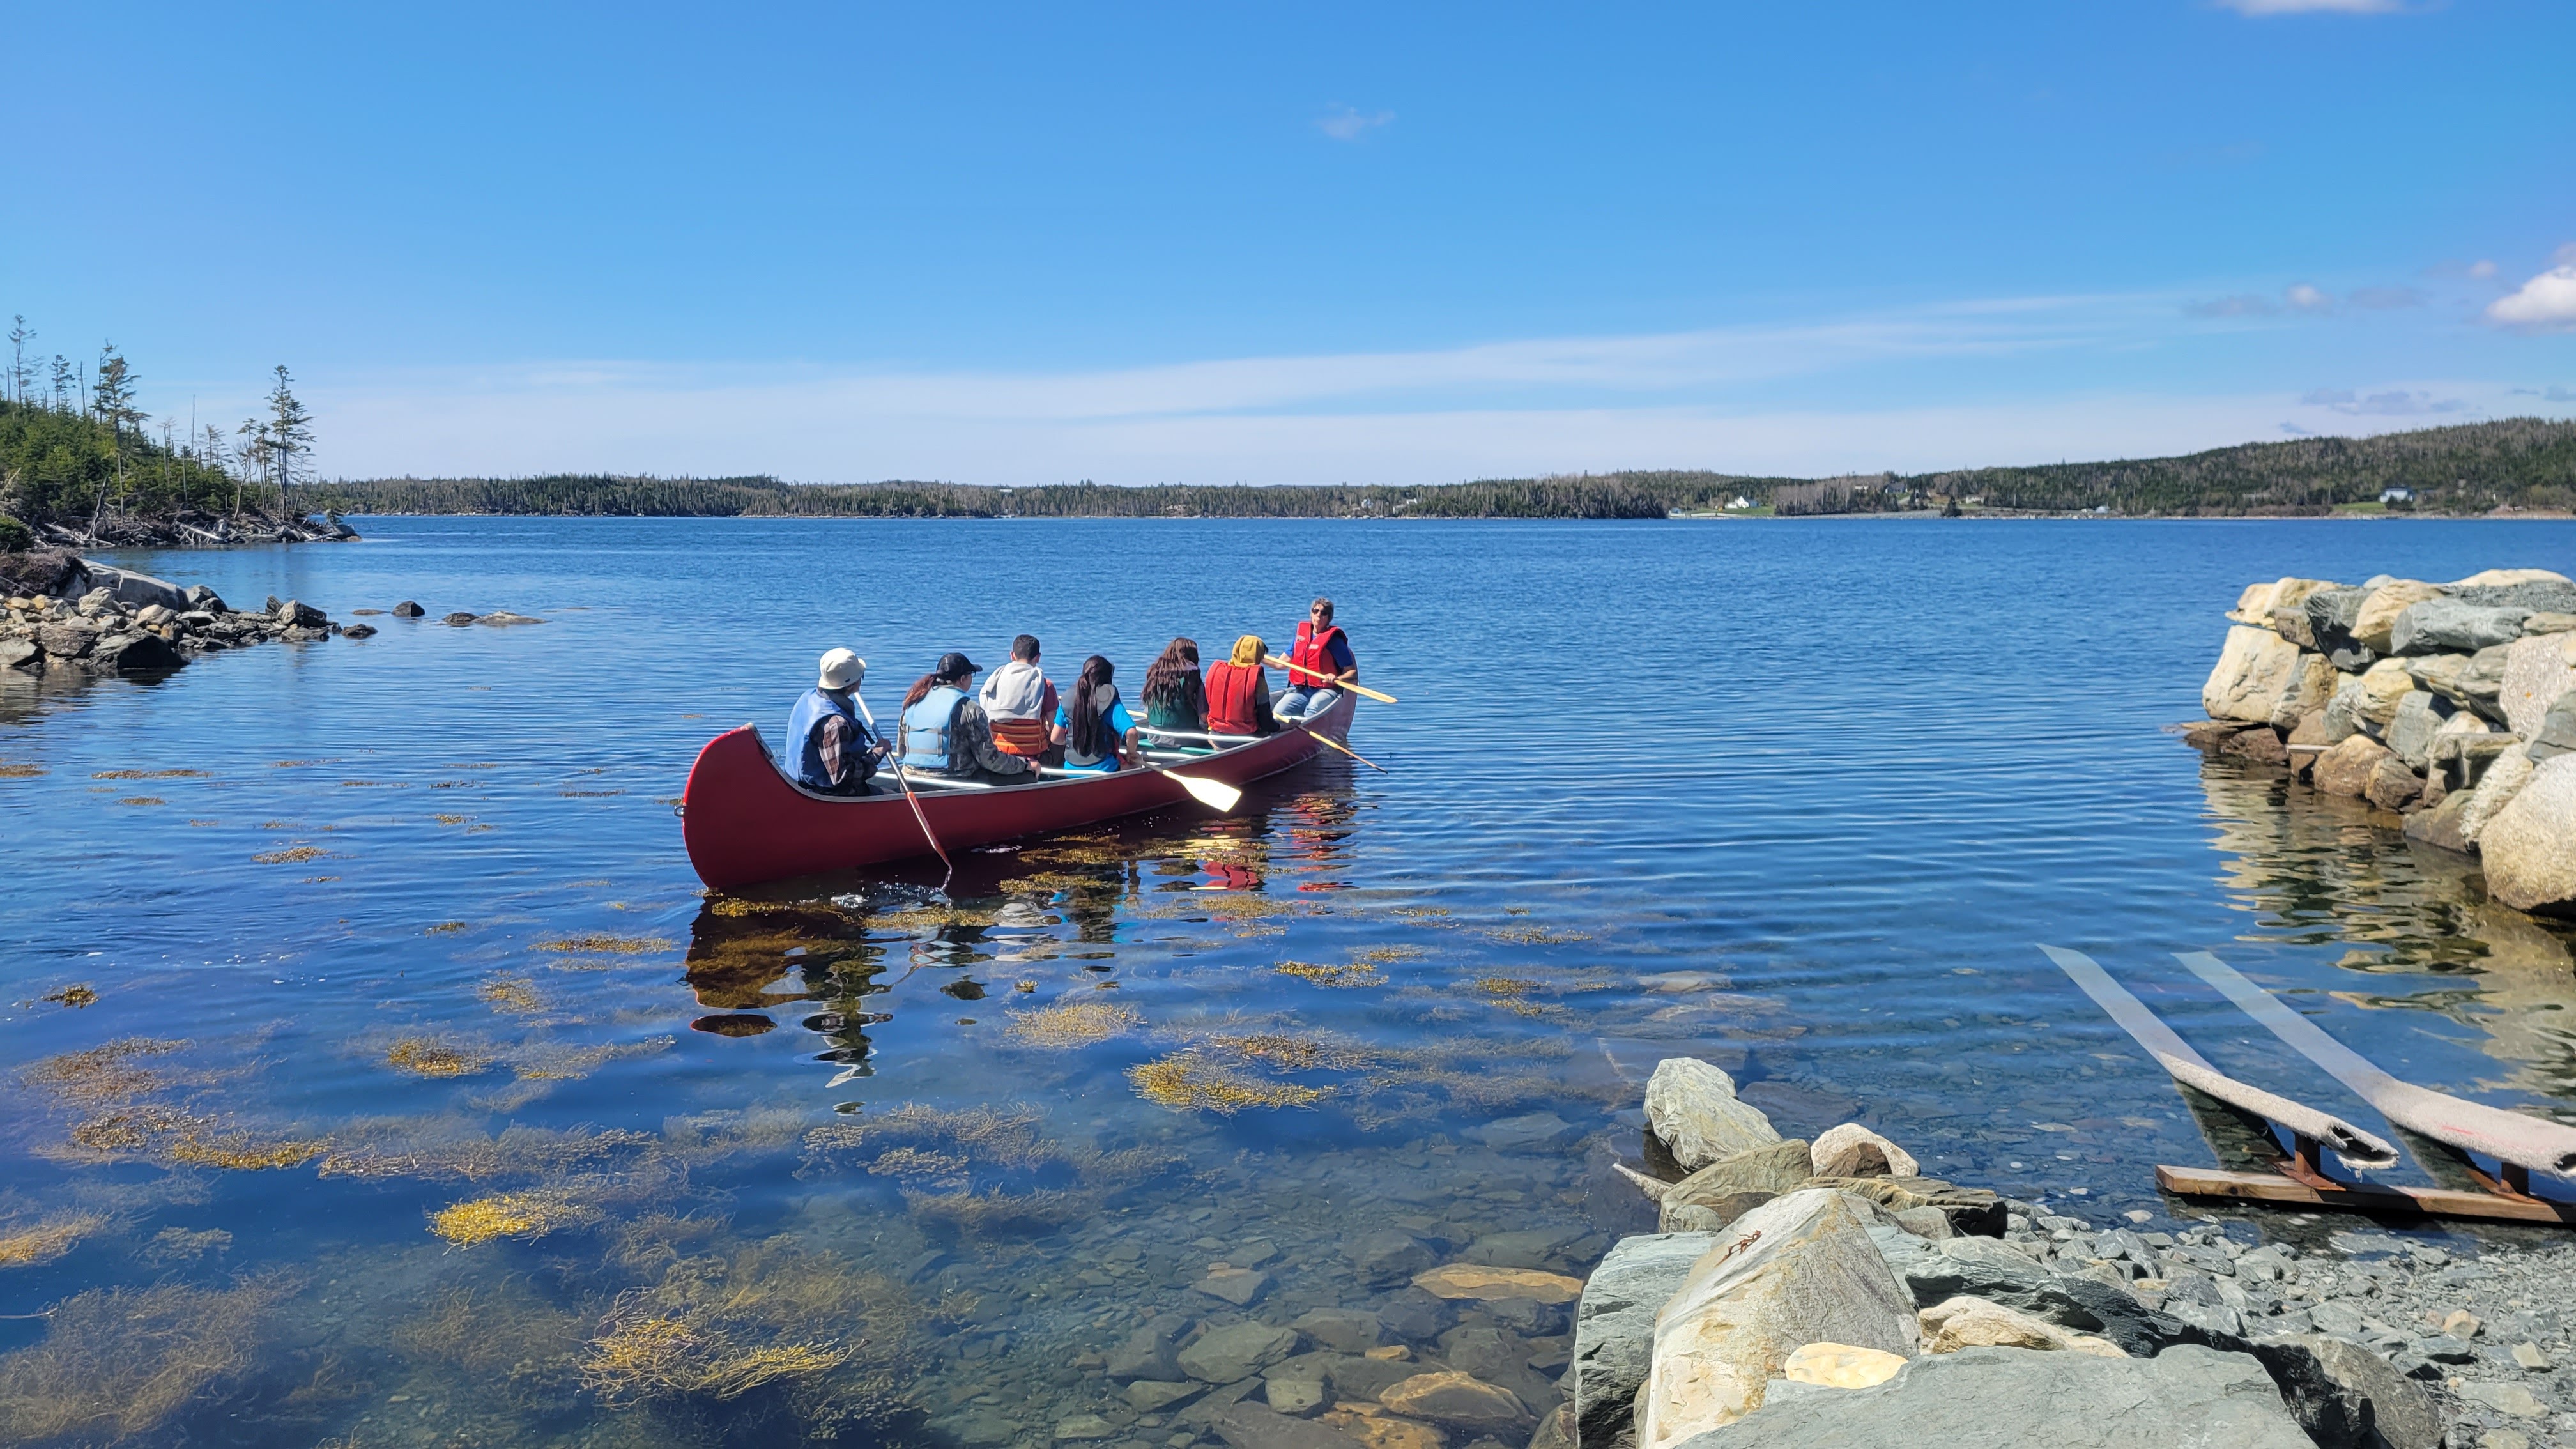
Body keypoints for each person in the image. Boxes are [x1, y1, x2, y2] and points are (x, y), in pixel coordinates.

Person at [896, 652, 1039, 783]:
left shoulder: (912, 703)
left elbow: (902, 752)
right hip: (953, 782)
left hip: (909, 780)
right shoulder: (970, 710)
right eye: (971, 675)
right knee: (1028, 777)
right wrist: (1025, 764)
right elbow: (990, 760)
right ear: (963, 678)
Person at [786, 647, 883, 793]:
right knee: (894, 797)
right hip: (826, 796)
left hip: (798, 789)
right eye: (861, 676)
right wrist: (876, 754)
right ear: (851, 686)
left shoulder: (808, 698)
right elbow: (843, 777)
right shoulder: (836, 724)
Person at [1052, 654, 1146, 773]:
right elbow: (1132, 733)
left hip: (1071, 770)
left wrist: (1078, 740)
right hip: (1104, 769)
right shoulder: (1111, 705)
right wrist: (1131, 753)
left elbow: (1055, 738)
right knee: (1137, 764)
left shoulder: (1066, 703)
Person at [979, 634, 1061, 765]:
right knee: (1060, 740)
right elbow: (1054, 731)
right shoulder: (1045, 686)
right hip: (1036, 756)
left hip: (1000, 755)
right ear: (1038, 658)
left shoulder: (994, 683)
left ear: (1012, 655)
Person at [1275, 596, 1356, 724]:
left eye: (1323, 613)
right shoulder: (1301, 638)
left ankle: (1304, 731)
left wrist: (1337, 678)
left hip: (1326, 690)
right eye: (1315, 611)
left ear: (1329, 617)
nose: (1318, 615)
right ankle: (1283, 734)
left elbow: (1351, 672)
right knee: (1277, 713)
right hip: (1301, 691)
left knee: (1313, 707)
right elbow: (1279, 665)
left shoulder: (1334, 641)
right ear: (1311, 613)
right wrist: (1260, 657)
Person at [1204, 634, 1280, 739]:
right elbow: (1266, 722)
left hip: (1216, 736)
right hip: (1246, 738)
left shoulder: (1216, 673)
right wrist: (1283, 727)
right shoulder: (1259, 682)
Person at [1140, 637, 1209, 744]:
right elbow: (1204, 717)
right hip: (1184, 737)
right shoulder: (1194, 676)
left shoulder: (1154, 675)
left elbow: (1148, 711)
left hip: (1154, 737)